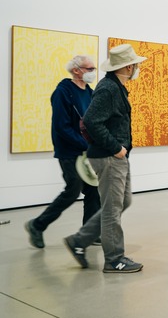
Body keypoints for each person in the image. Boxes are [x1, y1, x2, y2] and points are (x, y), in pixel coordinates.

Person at [63, 44, 146, 273]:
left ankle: (79, 240)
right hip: (109, 157)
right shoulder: (108, 88)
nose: (137, 68)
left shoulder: (117, 87)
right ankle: (114, 259)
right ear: (128, 67)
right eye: (135, 65)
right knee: (111, 209)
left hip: (117, 156)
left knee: (122, 202)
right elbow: (91, 120)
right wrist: (115, 147)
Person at [24, 55, 101, 249]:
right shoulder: (62, 92)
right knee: (73, 190)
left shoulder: (89, 92)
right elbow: (61, 127)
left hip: (85, 151)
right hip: (69, 151)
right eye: (89, 69)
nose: (93, 72)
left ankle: (88, 233)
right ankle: (37, 225)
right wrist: (85, 145)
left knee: (93, 190)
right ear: (76, 70)